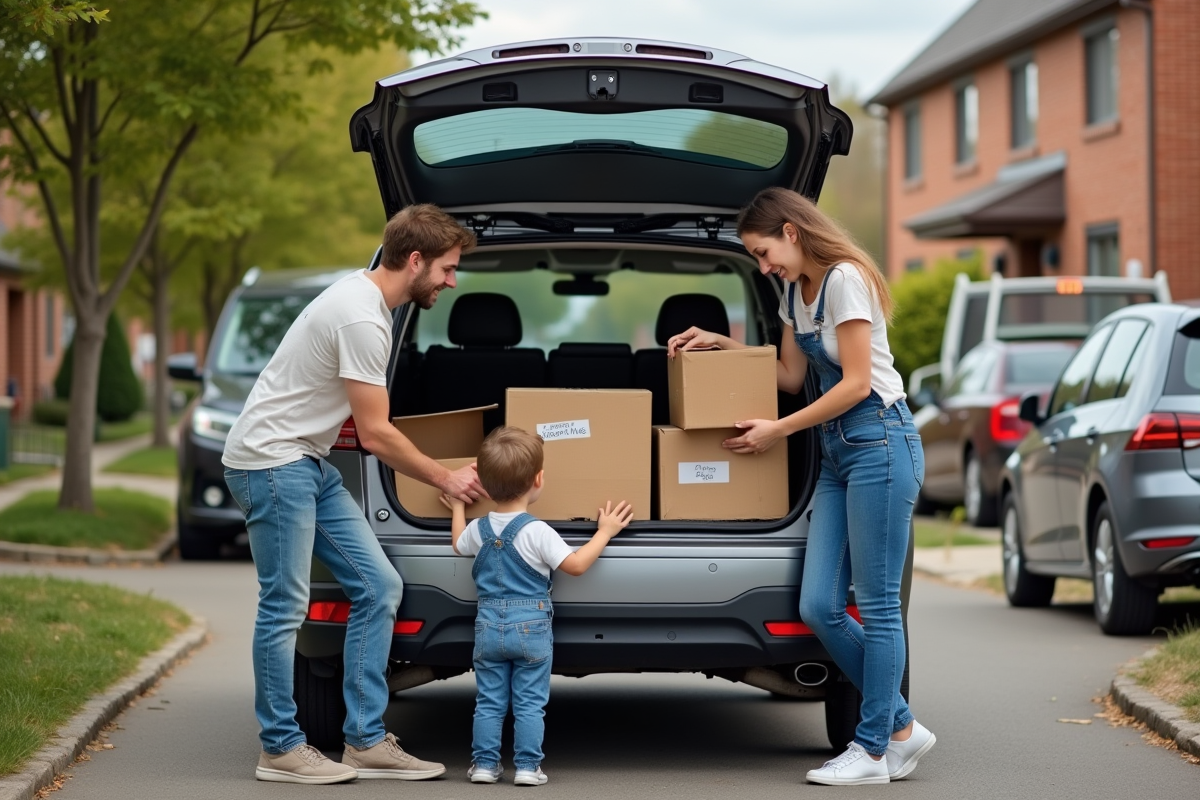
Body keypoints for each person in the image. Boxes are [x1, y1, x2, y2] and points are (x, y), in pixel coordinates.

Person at [667, 187, 935, 786]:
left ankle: (870, 751)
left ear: (792, 231)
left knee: (879, 605)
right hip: (838, 454)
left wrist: (777, 433)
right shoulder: (795, 291)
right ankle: (901, 727)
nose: (763, 267)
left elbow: (859, 382)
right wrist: (724, 345)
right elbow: (792, 375)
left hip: (880, 444)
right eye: (756, 259)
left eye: (764, 253)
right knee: (817, 604)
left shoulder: (845, 279)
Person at [222, 204, 487, 785]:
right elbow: (375, 433)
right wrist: (445, 478)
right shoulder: (363, 319)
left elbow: (342, 411)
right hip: (272, 464)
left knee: (379, 586)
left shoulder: (366, 302)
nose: (450, 281)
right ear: (414, 260)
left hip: (306, 461)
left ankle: (365, 740)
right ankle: (281, 749)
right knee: (285, 605)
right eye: (446, 269)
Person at [441, 426, 633, 787]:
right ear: (538, 479)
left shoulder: (479, 530)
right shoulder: (537, 531)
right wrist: (604, 532)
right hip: (531, 629)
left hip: (488, 629)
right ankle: (528, 768)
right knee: (530, 702)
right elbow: (575, 566)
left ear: (482, 480)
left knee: (489, 702)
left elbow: (457, 544)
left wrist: (457, 506)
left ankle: (484, 765)